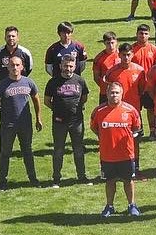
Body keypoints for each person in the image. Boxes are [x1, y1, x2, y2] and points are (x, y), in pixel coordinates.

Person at [90, 81, 142, 217]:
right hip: (107, 155)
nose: (114, 95)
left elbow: (136, 128)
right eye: (111, 92)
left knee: (128, 180)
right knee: (109, 181)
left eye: (117, 92)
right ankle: (109, 206)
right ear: (106, 94)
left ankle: (132, 205)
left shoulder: (130, 111)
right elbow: (95, 128)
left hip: (126, 154)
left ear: (122, 94)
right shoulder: (99, 111)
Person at [0, 56, 43, 189]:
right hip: (8, 125)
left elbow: (36, 100)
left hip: (25, 124)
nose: (15, 68)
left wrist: (38, 118)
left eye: (17, 65)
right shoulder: (1, 85)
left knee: (27, 151)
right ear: (8, 67)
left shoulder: (29, 82)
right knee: (5, 153)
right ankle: (2, 181)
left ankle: (33, 179)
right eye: (12, 65)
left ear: (22, 67)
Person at [44, 54, 90, 186]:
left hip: (76, 122)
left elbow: (84, 98)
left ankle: (82, 177)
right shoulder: (53, 82)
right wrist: (57, 109)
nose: (68, 68)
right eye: (65, 66)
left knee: (78, 149)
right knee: (58, 150)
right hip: (59, 122)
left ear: (74, 66)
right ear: (60, 66)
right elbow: (47, 101)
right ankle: (56, 179)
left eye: (70, 66)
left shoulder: (80, 81)